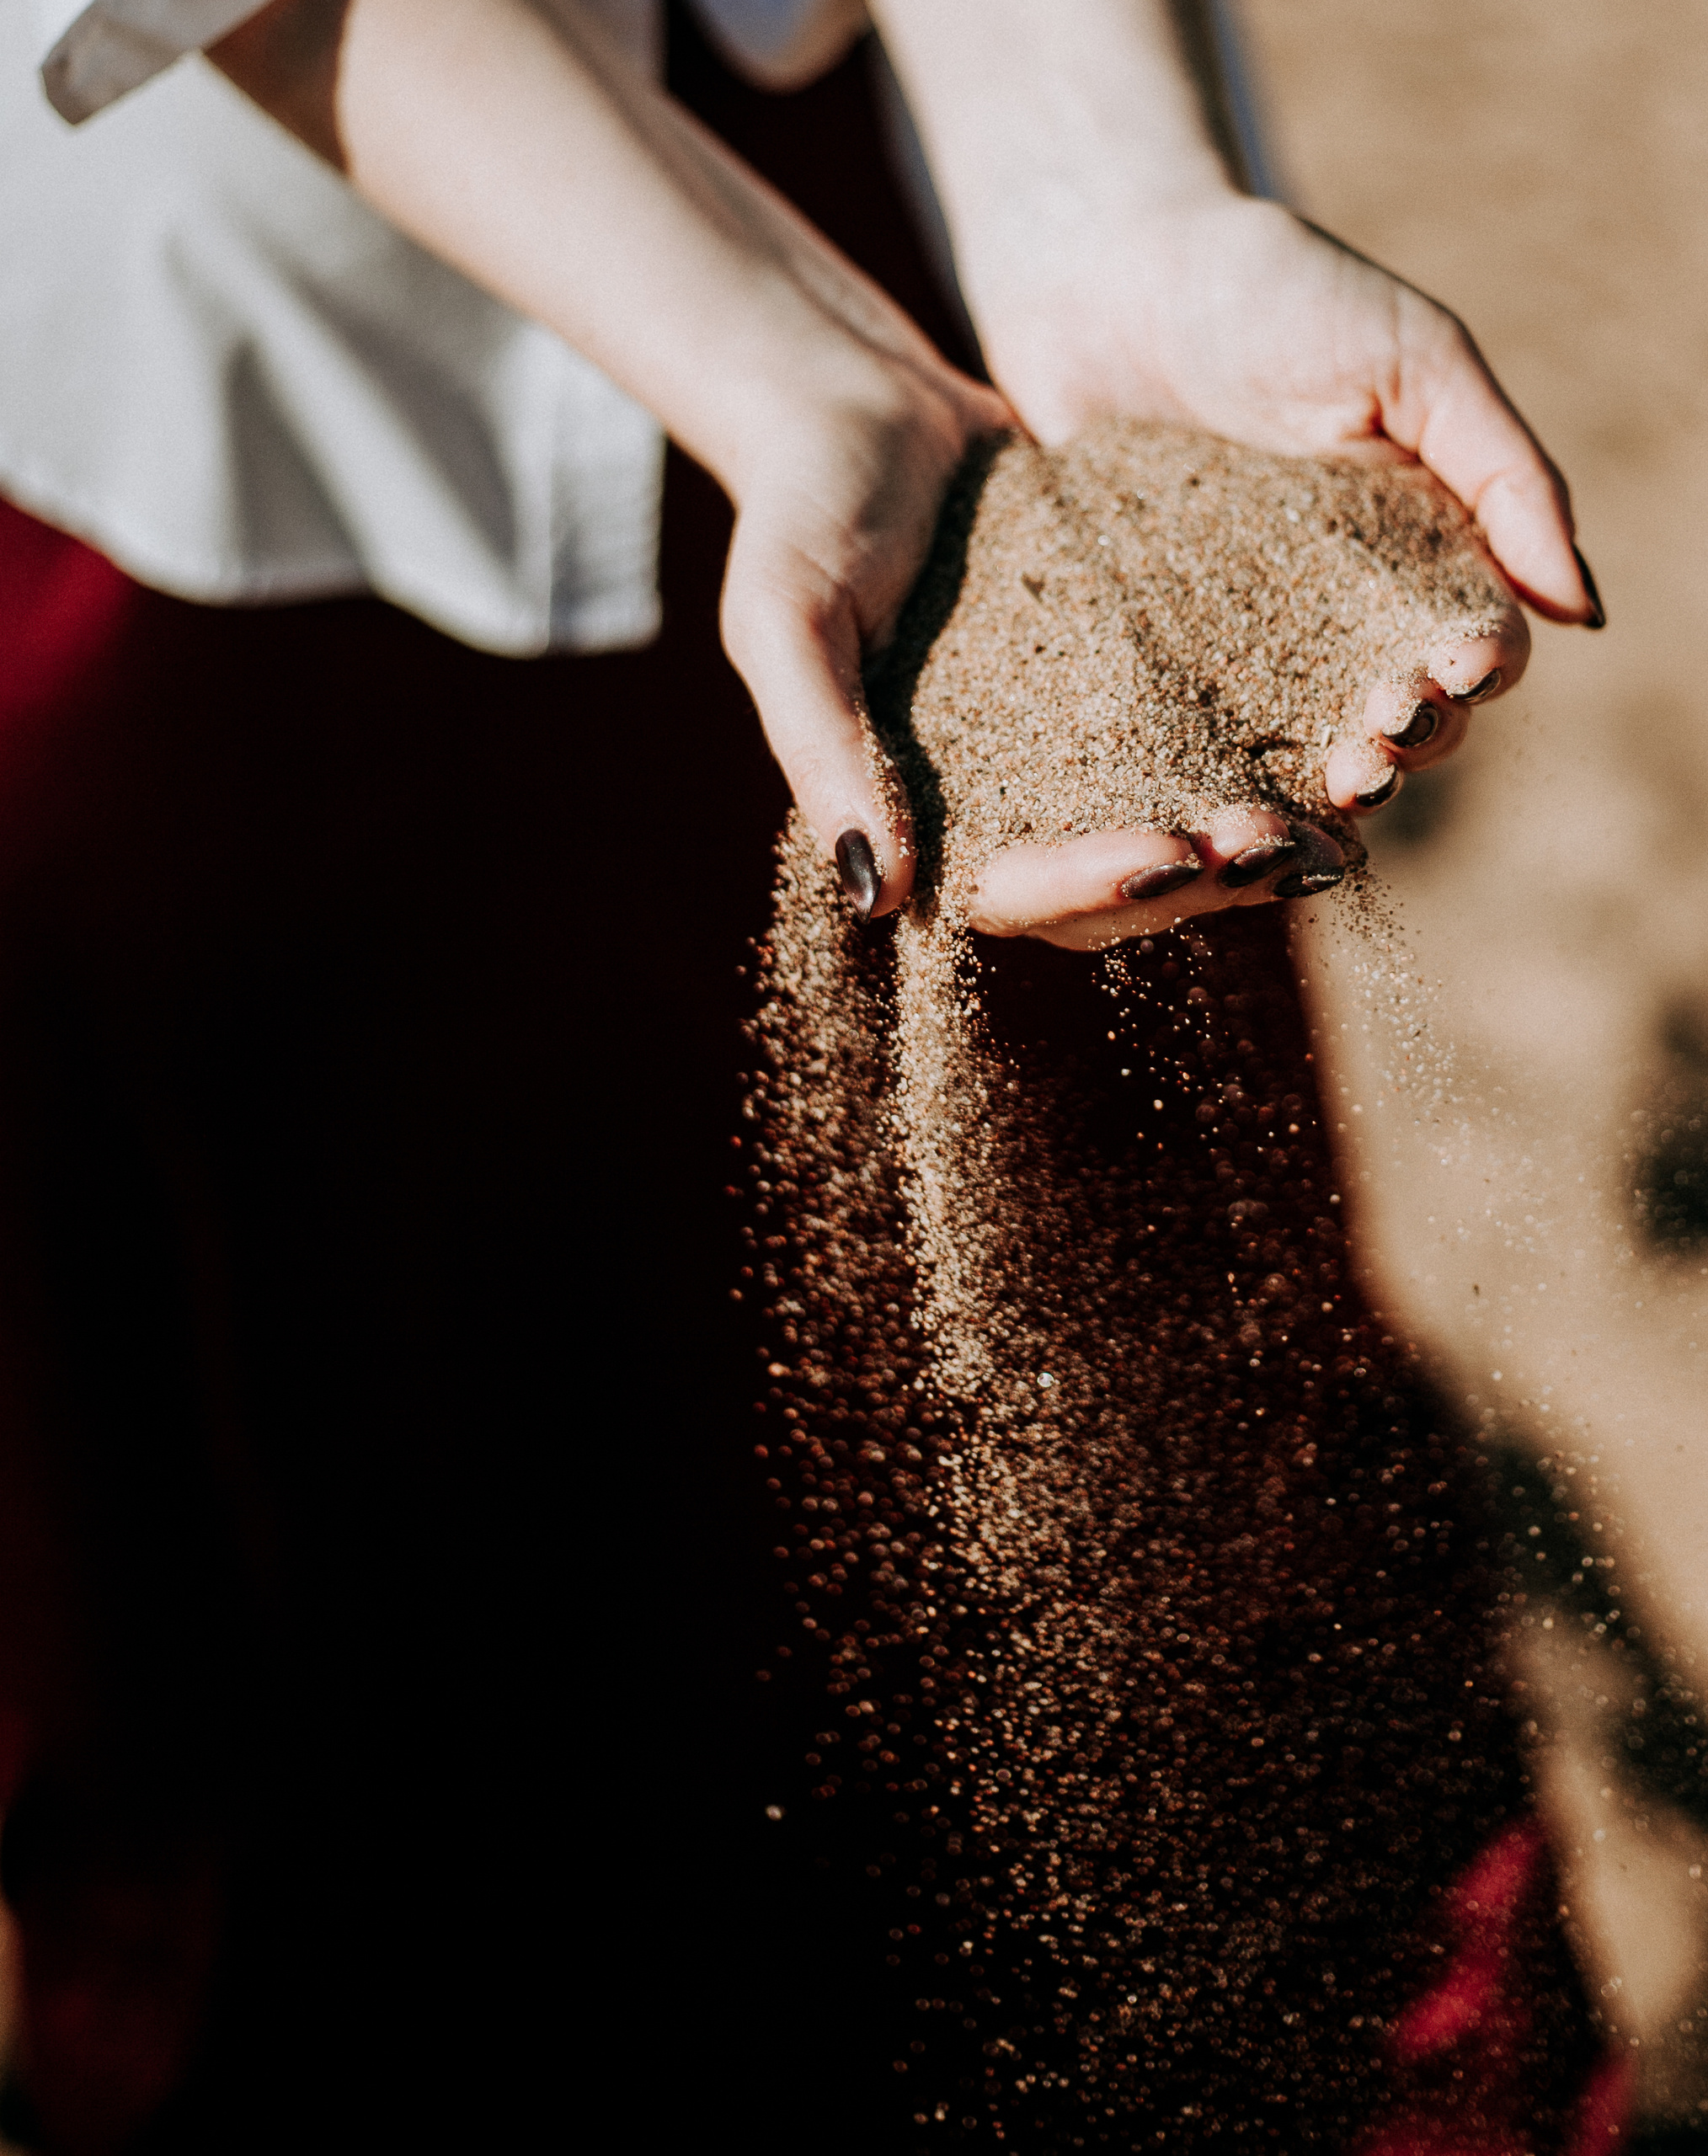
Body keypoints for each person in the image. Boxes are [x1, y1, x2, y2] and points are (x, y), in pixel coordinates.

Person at [0, 3, 1602, 2150]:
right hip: (224, 377)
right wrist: (782, 362)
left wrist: (1099, 198)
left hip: (927, 191)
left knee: (1161, 1394)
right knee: (372, 1493)